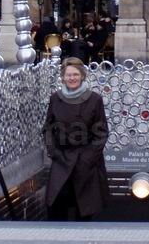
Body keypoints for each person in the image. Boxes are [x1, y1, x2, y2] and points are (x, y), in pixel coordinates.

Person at [43, 57, 110, 221]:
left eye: (75, 74)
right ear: (63, 77)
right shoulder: (55, 98)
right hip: (62, 158)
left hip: (85, 160)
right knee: (57, 204)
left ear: (82, 76)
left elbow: (101, 132)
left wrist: (88, 158)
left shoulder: (94, 99)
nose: (72, 78)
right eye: (68, 75)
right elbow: (48, 128)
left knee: (84, 208)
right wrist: (53, 151)